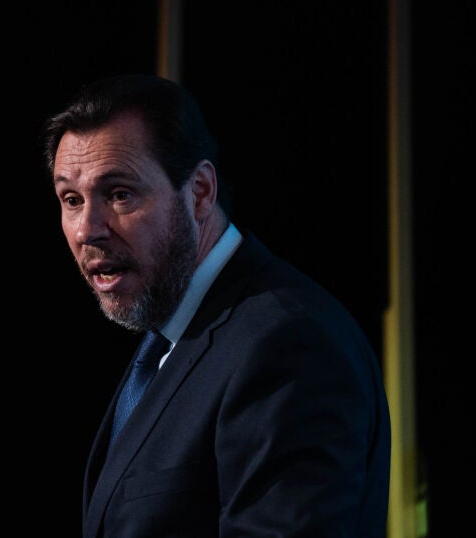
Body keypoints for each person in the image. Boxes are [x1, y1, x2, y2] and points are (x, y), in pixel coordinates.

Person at [41, 73, 391, 538]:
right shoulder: (170, 338)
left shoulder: (288, 344)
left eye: (120, 194)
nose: (88, 229)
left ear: (200, 192)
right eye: (71, 199)